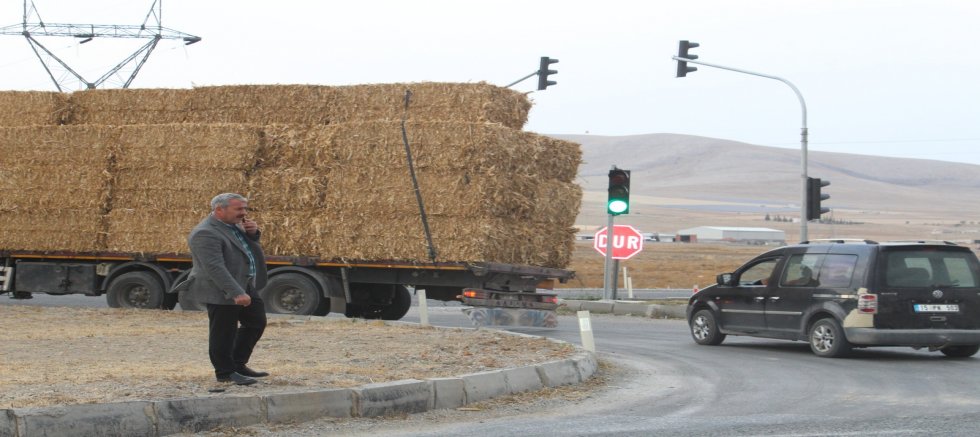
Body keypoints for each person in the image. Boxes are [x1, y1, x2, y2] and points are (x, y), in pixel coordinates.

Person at [175, 193, 270, 385]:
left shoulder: (234, 226)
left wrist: (253, 235)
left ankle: (238, 364)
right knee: (224, 331)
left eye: (245, 208)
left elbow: (245, 251)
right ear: (219, 210)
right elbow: (214, 267)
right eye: (238, 209)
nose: (244, 213)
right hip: (221, 288)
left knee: (256, 322)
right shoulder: (205, 233)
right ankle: (225, 372)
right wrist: (236, 292)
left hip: (243, 283)